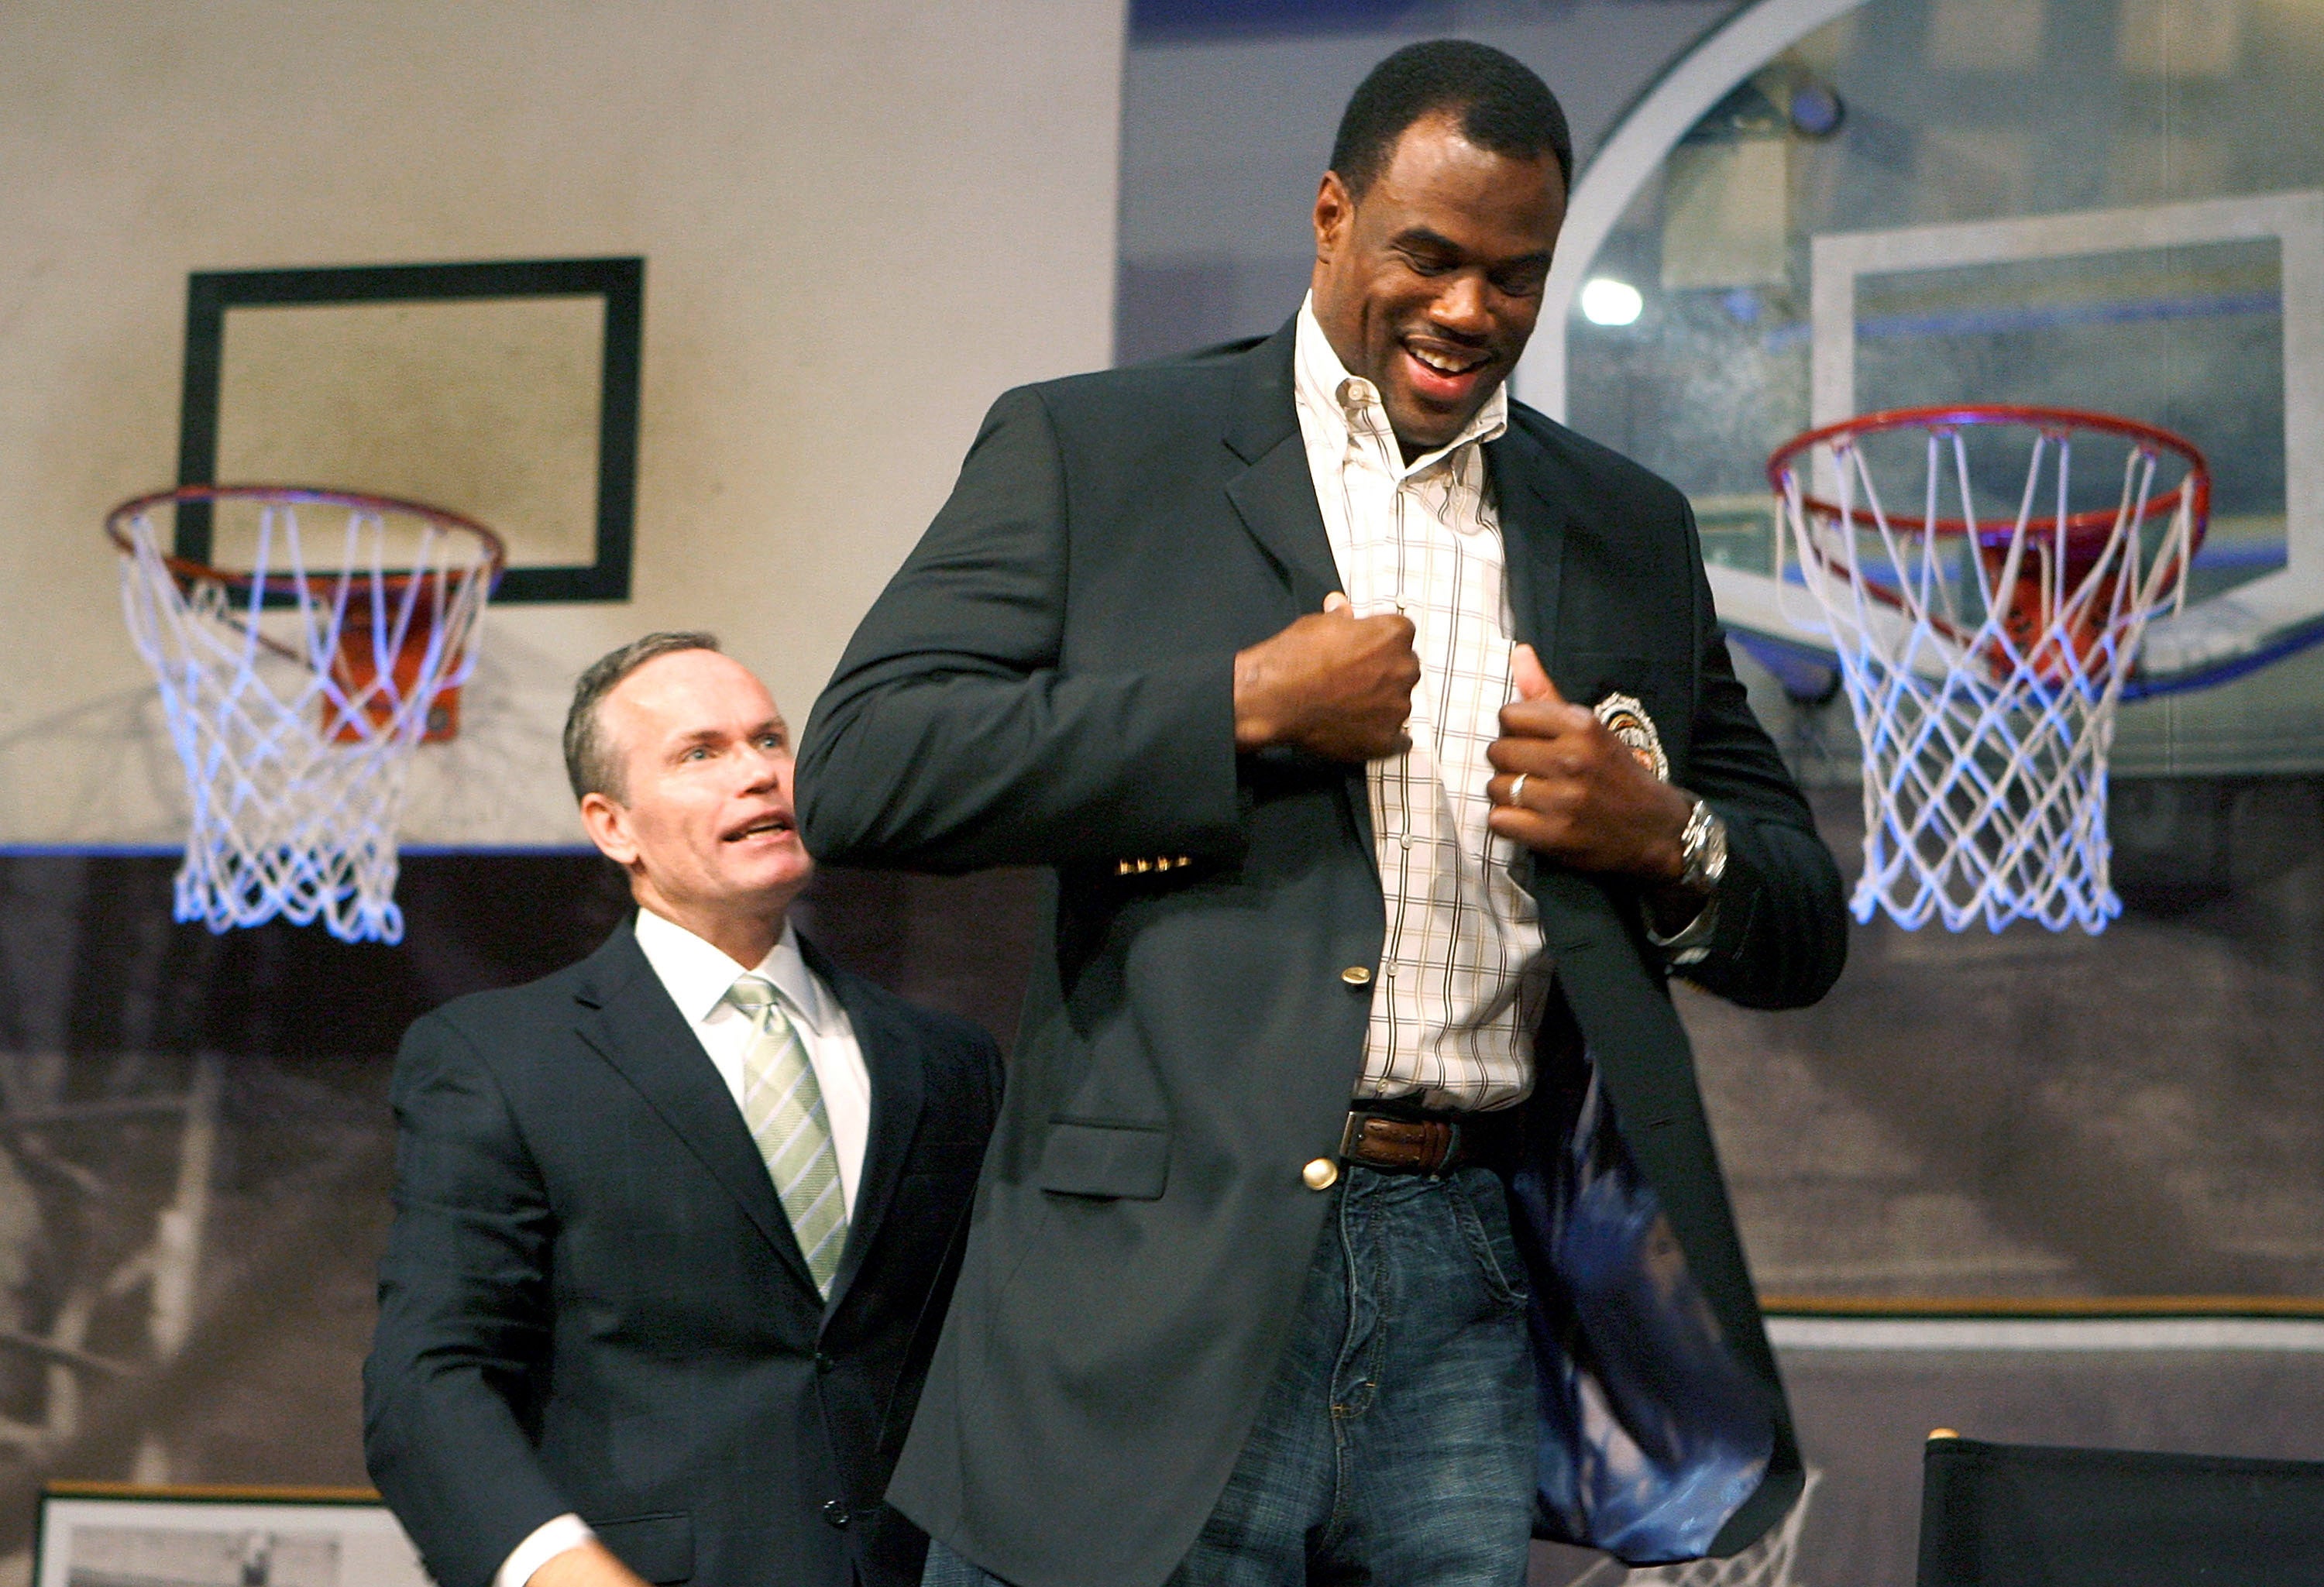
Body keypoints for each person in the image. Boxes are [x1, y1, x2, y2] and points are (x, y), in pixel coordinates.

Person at [798, 38, 1847, 1587]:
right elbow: (865, 762)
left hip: (1473, 1256)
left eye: (1516, 274)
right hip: (1153, 1281)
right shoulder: (1098, 448)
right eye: (1428, 256)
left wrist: (1659, 833)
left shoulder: (1625, 526)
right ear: (1331, 217)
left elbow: (1800, 916)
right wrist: (1237, 707)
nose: (1469, 312)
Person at [366, 634, 1002, 1587]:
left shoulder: (947, 1061)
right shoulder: (499, 1058)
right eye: (701, 753)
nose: (756, 774)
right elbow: (429, 1382)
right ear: (612, 824)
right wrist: (556, 1570)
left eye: (771, 741)